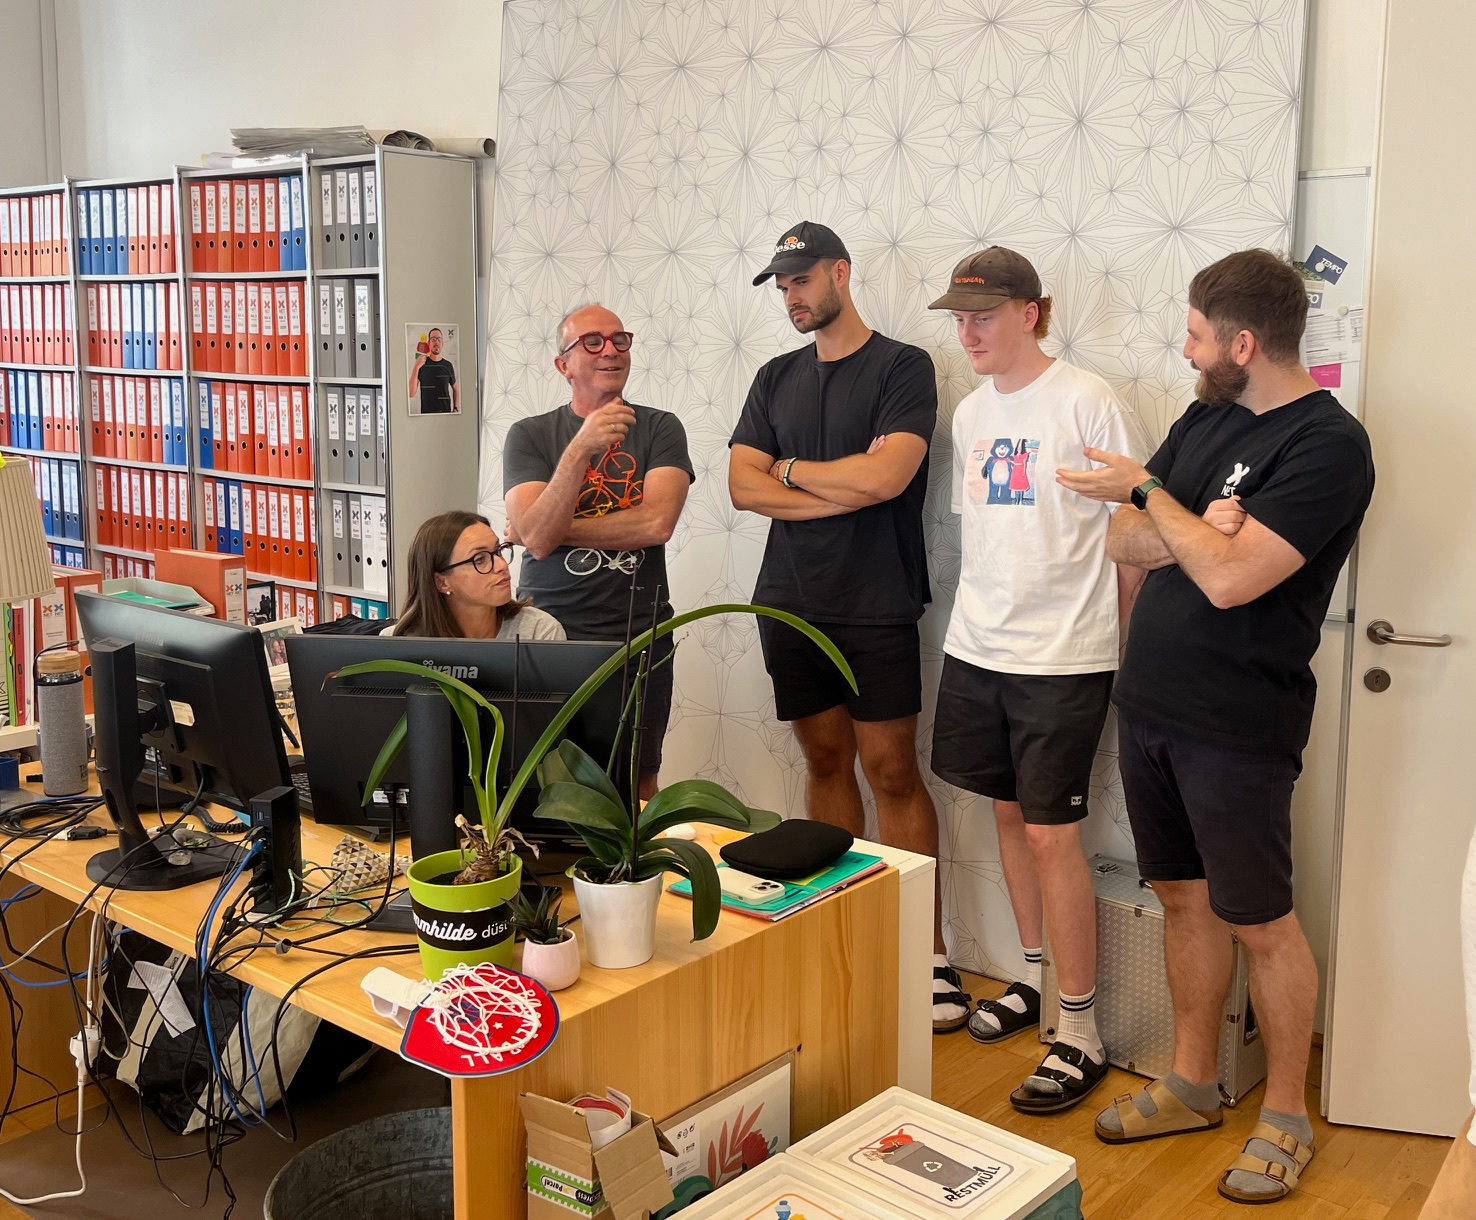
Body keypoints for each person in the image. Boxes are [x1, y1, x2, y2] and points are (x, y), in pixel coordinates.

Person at [1057, 249, 1374, 1204]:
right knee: (1182, 898)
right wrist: (1199, 523)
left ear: (1242, 343)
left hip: (1237, 724)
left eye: (1197, 335)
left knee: (1262, 923)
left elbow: (1231, 579)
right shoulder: (1207, 416)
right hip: (1151, 703)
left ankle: (1286, 1116)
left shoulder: (1328, 444)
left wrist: (1159, 500)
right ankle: (1194, 1082)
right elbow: (1123, 541)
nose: (1186, 350)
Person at [926, 247, 1148, 1112]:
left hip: (1064, 653)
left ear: (1031, 312)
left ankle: (1081, 1030)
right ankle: (1030, 978)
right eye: (959, 318)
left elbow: (1133, 536)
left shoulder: (1087, 400)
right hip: (979, 645)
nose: (968, 333)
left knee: (1055, 835)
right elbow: (987, 535)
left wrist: (1126, 648)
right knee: (1005, 814)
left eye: (982, 316)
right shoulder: (972, 413)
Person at [727, 222, 957, 1030]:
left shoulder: (902, 366)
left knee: (892, 772)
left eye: (802, 279)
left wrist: (789, 470)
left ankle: (927, 957)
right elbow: (742, 487)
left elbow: (888, 478)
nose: (792, 296)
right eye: (782, 284)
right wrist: (839, 487)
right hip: (789, 601)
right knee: (825, 763)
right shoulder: (774, 377)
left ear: (840, 274)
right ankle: (837, 928)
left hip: (877, 600)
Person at [503, 303, 693, 799]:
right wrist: (579, 449)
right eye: (592, 342)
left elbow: (656, 523)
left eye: (619, 339)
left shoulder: (661, 428)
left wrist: (548, 529)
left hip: (639, 640)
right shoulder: (530, 435)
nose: (610, 350)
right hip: (548, 638)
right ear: (563, 364)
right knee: (542, 781)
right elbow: (536, 534)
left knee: (637, 781)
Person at [388, 510, 564, 641]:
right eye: (480, 560)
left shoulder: (539, 632)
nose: (502, 566)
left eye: (498, 551)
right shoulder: (396, 642)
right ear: (442, 582)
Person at [409, 327, 459, 414]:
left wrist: (455, 408)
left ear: (442, 343)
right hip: (426, 417)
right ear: (429, 343)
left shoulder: (448, 365)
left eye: (439, 339)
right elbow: (410, 393)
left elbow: (455, 389)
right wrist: (416, 366)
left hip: (445, 416)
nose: (436, 342)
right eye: (433, 339)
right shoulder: (421, 365)